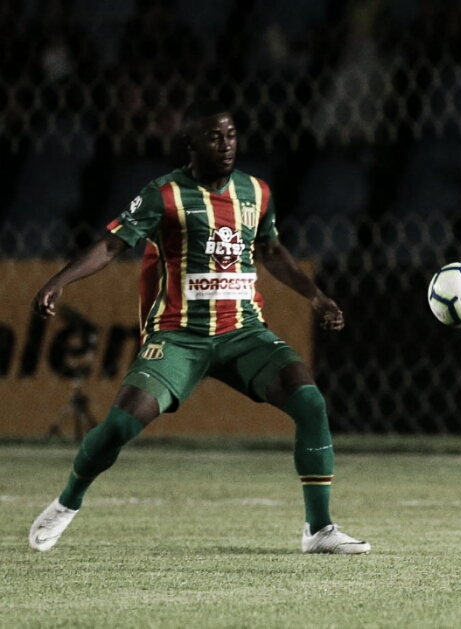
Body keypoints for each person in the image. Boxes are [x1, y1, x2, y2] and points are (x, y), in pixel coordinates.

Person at [28, 99, 370, 555]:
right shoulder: (164, 194)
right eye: (214, 136)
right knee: (118, 428)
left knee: (309, 400)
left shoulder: (256, 192)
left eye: (230, 135)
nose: (226, 144)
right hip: (179, 335)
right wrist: (58, 281)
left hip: (243, 331)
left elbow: (271, 251)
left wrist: (316, 296)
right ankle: (67, 503)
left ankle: (320, 529)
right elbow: (112, 246)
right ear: (190, 142)